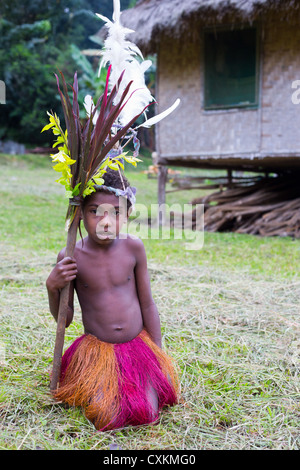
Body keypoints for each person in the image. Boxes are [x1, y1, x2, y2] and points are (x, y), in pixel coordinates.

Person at [46, 168, 180, 431]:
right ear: (80, 214)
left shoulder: (133, 248)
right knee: (105, 417)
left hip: (137, 346)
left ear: (127, 214)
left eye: (115, 212)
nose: (105, 221)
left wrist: (157, 354)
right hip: (98, 352)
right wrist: (53, 286)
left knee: (149, 413)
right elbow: (66, 317)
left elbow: (147, 304)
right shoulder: (71, 255)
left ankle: (143, 381)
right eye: (95, 211)